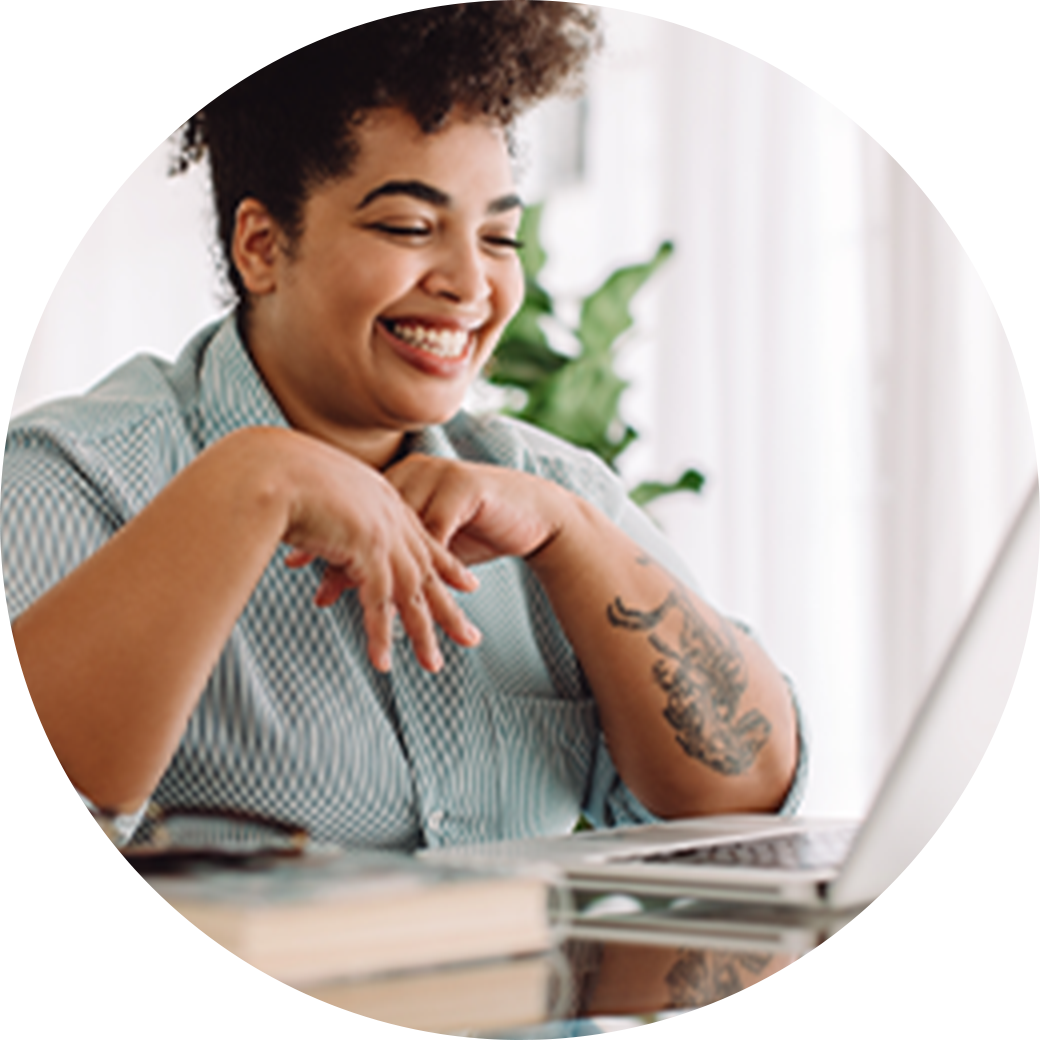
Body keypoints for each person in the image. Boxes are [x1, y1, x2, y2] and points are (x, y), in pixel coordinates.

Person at [2, 0, 804, 851]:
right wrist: (254, 481)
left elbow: (744, 797)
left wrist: (572, 538)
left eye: (501, 238)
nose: (470, 282)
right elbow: (42, 829)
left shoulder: (548, 492)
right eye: (409, 228)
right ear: (262, 246)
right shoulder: (68, 478)